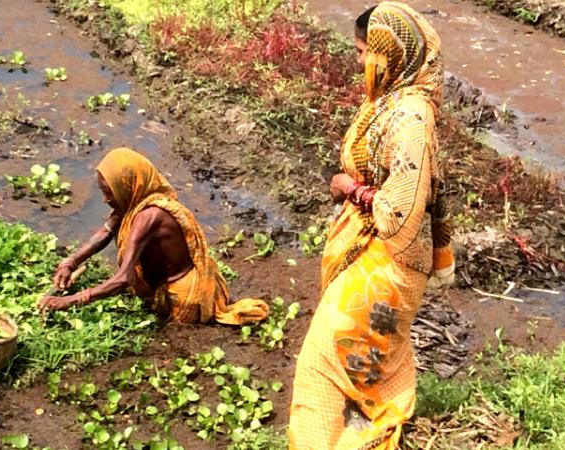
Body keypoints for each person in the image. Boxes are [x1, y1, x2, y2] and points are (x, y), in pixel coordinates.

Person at [288, 3, 455, 449]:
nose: (361, 61)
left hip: (391, 261)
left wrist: (351, 190)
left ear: (391, 54)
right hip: (379, 251)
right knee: (364, 359)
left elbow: (402, 210)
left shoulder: (411, 119)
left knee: (322, 363)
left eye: (364, 51)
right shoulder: (394, 99)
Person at [38, 147, 269, 325]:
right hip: (164, 285)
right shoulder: (134, 202)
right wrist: (70, 262)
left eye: (109, 193)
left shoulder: (149, 216)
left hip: (184, 300)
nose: (106, 200)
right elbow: (106, 231)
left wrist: (70, 301)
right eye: (104, 192)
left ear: (128, 185)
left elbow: (123, 279)